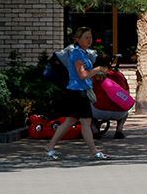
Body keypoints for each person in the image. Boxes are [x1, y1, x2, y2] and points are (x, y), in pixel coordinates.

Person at [45, 27, 110, 161]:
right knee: (85, 121)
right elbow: (82, 75)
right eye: (86, 37)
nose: (89, 40)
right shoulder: (77, 54)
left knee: (71, 121)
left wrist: (96, 74)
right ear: (78, 39)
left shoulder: (84, 53)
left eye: (90, 37)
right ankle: (94, 151)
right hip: (77, 92)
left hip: (79, 91)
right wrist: (97, 69)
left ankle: (50, 146)